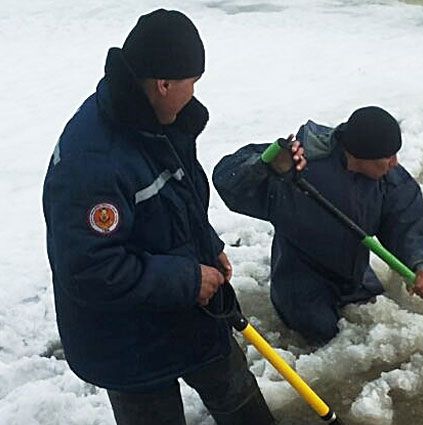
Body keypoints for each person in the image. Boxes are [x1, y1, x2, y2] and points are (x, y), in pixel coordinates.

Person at [42, 9, 274, 425]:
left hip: (190, 314)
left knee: (242, 404)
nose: (196, 93)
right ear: (164, 83)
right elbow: (91, 270)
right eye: (192, 82)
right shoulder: (92, 162)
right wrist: (188, 278)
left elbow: (177, 196)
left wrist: (208, 246)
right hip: (129, 347)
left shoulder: (161, 120)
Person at [212, 106, 423, 345]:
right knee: (325, 337)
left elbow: (407, 224)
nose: (395, 163)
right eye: (388, 157)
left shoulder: (388, 180)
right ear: (360, 155)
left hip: (354, 274)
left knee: (380, 329)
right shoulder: (299, 162)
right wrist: (263, 165)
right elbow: (228, 178)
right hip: (301, 279)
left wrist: (420, 264)